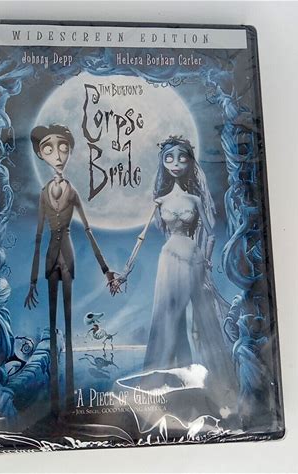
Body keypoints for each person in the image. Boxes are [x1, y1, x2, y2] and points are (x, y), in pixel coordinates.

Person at [111, 136, 237, 397]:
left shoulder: (195, 199)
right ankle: (167, 378)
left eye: (182, 158)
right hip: (169, 259)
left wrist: (207, 262)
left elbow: (210, 235)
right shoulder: (160, 201)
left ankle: (212, 381)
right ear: (163, 163)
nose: (176, 163)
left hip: (193, 258)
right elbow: (142, 237)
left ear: (190, 161)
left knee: (199, 314)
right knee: (169, 315)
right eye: (169, 158)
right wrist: (125, 272)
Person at [24, 124, 116, 418]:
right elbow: (38, 236)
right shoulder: (43, 193)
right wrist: (32, 281)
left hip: (68, 256)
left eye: (63, 148)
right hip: (50, 257)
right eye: (49, 149)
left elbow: (88, 231)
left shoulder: (73, 192)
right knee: (52, 324)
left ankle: (70, 396)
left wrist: (105, 270)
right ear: (41, 154)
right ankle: (52, 399)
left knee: (67, 319)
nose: (58, 154)